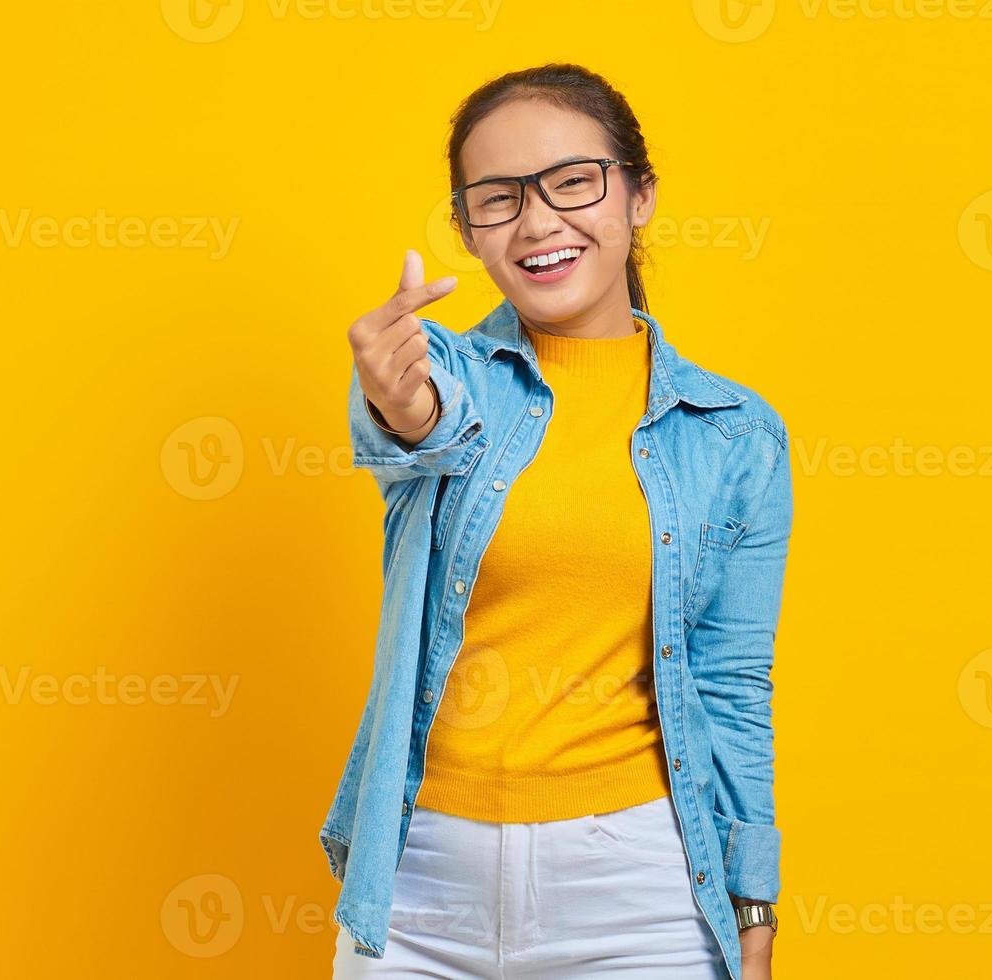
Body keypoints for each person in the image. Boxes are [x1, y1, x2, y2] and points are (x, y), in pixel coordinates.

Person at [325, 63, 793, 980]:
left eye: (572, 182)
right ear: (465, 228)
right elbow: (419, 426)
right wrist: (401, 406)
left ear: (640, 195)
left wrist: (753, 901)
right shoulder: (445, 373)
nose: (538, 223)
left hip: (639, 891)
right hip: (422, 883)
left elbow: (732, 685)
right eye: (497, 200)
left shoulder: (737, 436)